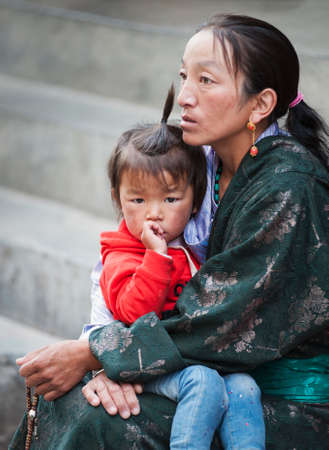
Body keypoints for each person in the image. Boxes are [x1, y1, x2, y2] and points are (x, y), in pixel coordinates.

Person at [11, 13, 329, 450]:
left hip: (275, 399)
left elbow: (221, 320)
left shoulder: (289, 188)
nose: (185, 97)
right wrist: (107, 364)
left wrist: (95, 354)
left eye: (206, 80)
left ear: (260, 104)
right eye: (184, 76)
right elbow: (134, 255)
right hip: (208, 371)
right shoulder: (205, 163)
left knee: (99, 418)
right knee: (76, 398)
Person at [79, 84, 265, 450]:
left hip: (184, 357)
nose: (154, 212)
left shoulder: (191, 248)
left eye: (170, 198)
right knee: (203, 381)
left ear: (194, 201)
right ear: (118, 199)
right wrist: (157, 258)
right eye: (137, 199)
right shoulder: (122, 255)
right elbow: (136, 312)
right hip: (141, 362)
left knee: (245, 386)